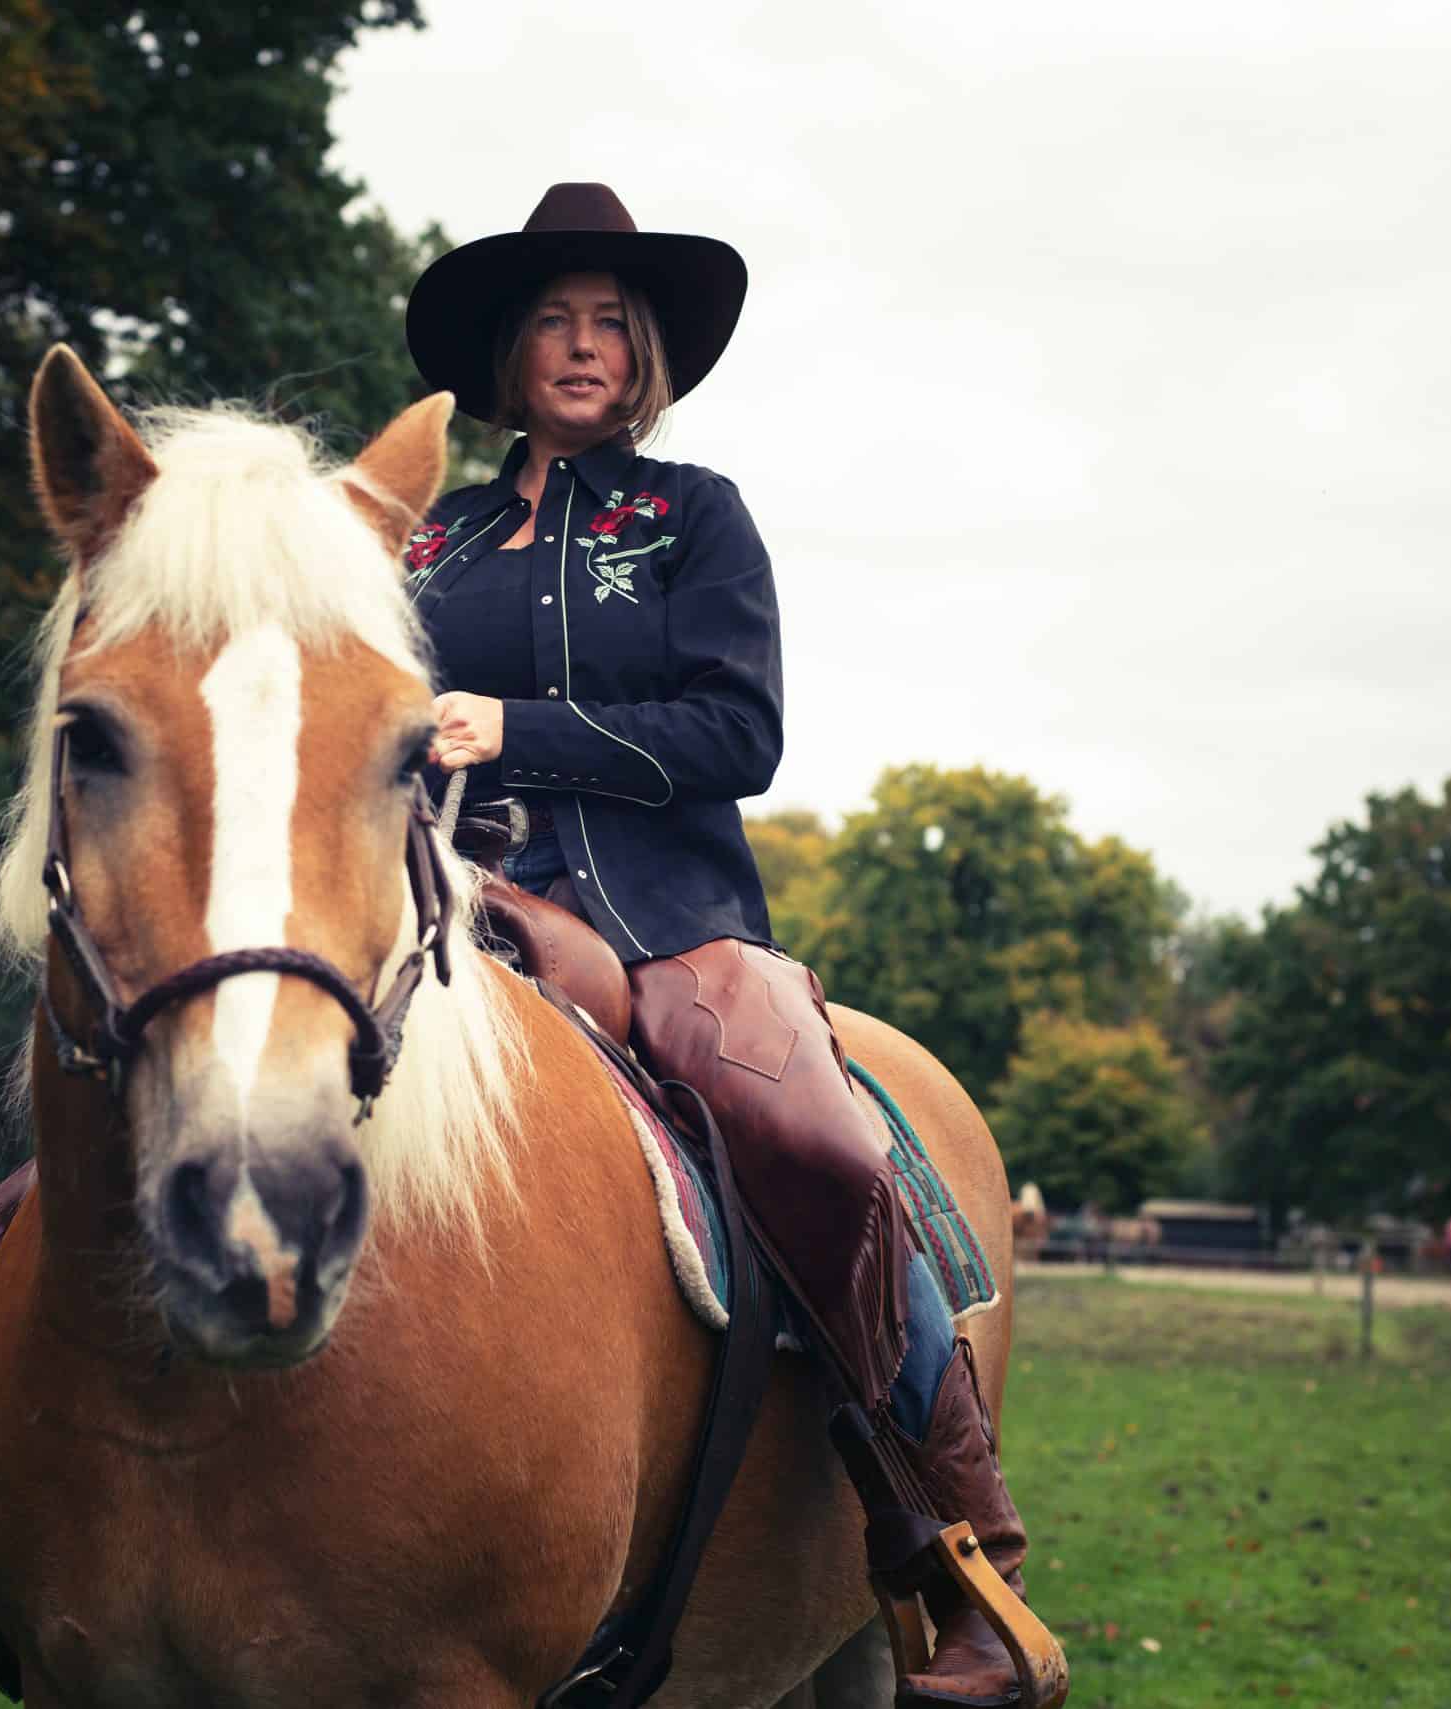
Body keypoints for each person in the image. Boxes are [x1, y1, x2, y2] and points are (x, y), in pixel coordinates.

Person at [401, 182, 1047, 1706]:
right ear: (511, 349)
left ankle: (956, 1548)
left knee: (816, 1140)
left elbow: (739, 731)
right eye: (554, 319)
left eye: (609, 325)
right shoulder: (429, 534)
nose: (581, 346)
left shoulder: (693, 518)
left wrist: (519, 727)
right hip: (448, 900)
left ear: (644, 358)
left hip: (666, 928)